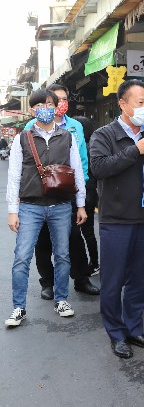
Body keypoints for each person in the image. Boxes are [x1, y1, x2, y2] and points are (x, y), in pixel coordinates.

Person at [90, 79, 144, 358]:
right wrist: (134, 150)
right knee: (112, 282)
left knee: (138, 281)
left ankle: (134, 329)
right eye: (140, 102)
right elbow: (99, 168)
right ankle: (116, 333)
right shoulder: (105, 135)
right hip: (116, 221)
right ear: (122, 104)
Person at [5, 88, 87, 327]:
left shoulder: (68, 137)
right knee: (21, 257)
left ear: (56, 106)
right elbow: (14, 175)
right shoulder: (23, 138)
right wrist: (13, 210)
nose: (45, 109)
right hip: (30, 207)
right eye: (39, 106)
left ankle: (61, 299)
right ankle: (18, 308)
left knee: (62, 255)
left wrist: (80, 205)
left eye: (49, 104)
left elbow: (77, 172)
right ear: (33, 110)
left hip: (61, 205)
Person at [24, 84, 98, 298]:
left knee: (75, 237)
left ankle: (81, 279)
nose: (59, 103)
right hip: (41, 193)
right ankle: (48, 282)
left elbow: (82, 159)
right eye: (54, 99)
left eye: (64, 99)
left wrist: (80, 189)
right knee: (43, 239)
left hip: (69, 191)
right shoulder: (31, 126)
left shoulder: (75, 126)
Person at [74, 115, 100, 276]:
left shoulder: (82, 148)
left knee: (81, 232)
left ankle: (90, 264)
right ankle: (94, 263)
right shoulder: (93, 145)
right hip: (90, 192)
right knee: (88, 232)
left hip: (84, 193)